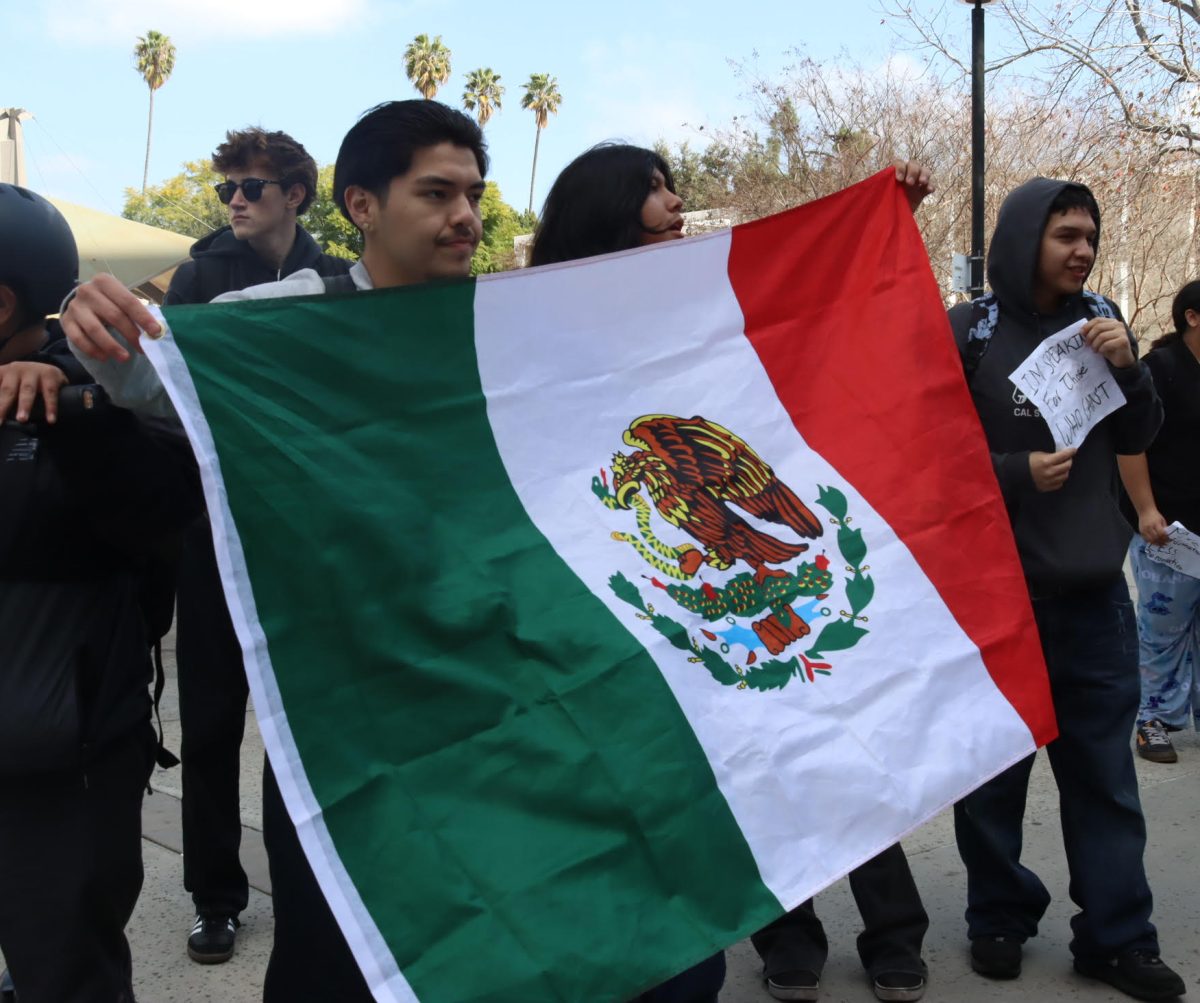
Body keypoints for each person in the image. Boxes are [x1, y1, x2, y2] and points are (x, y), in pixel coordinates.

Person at [63, 98, 488, 1003]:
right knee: (331, 936)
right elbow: (146, 376)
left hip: (471, 685)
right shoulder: (284, 317)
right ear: (362, 204)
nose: (467, 216)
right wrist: (85, 315)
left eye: (475, 194)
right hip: (332, 683)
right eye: (439, 192)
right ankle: (219, 894)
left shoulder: (514, 323)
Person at [532, 143, 934, 1003]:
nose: (677, 205)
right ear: (605, 215)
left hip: (771, 571)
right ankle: (784, 930)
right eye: (654, 193)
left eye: (673, 187)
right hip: (648, 607)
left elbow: (819, 313)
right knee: (741, 763)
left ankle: (893, 932)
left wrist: (881, 223)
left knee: (839, 738)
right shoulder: (536, 343)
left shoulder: (705, 299)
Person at [947, 178, 1186, 1001]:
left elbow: (1139, 434)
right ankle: (999, 917)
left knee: (1104, 782)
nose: (1082, 248)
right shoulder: (970, 330)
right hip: (995, 600)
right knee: (991, 783)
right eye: (1065, 235)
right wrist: (1014, 473)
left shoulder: (1103, 322)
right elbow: (923, 456)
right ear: (1023, 239)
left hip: (1093, 598)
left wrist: (1133, 370)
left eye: (1089, 234)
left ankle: (1118, 938)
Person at [0, 184, 200, 1002]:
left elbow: (165, 514)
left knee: (69, 975)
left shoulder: (98, 401)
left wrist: (68, 414)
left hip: (58, 773)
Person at [167, 127, 351, 966]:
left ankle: (313, 889)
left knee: (299, 729)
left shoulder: (341, 283)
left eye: (252, 186)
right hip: (211, 534)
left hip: (304, 541)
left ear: (297, 195)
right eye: (227, 188)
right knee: (209, 722)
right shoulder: (199, 277)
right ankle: (215, 896)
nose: (235, 199)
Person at [1118, 279, 1200, 765]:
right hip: (1167, 527)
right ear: (1192, 316)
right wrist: (1146, 509)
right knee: (1162, 624)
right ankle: (1151, 719)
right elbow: (1131, 444)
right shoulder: (1160, 370)